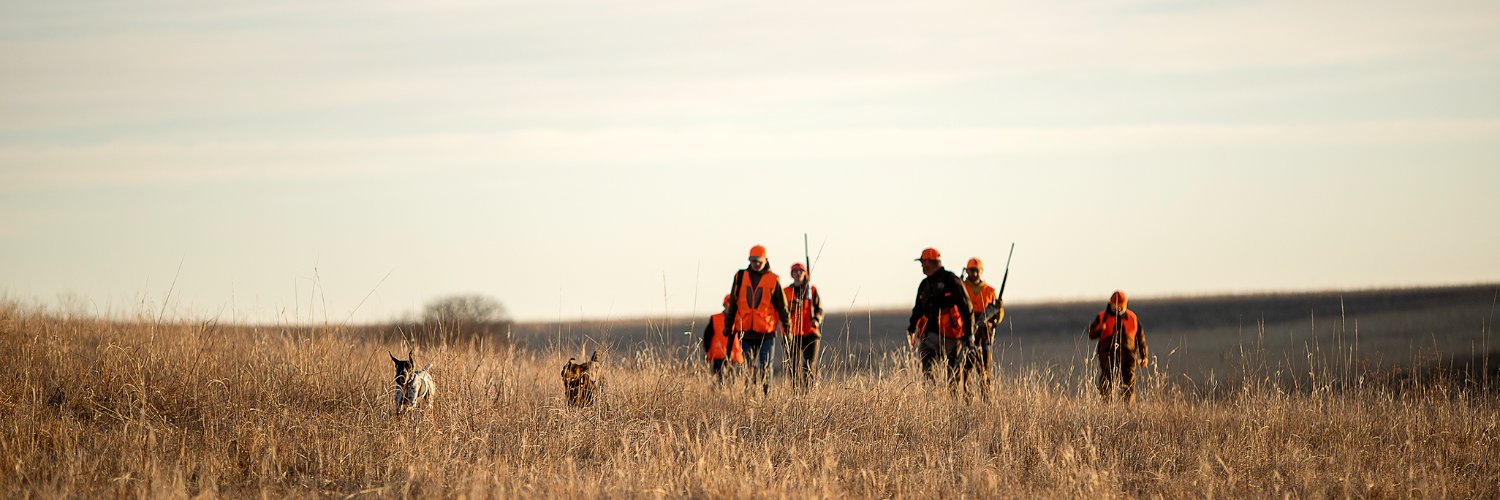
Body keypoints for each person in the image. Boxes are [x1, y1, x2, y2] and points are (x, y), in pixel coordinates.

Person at [723, 244, 791, 396]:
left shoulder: (773, 279)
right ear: (749, 260)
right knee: (747, 367)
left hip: (766, 332)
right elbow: (733, 303)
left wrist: (788, 328)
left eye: (759, 261)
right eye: (754, 261)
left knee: (765, 366)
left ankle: (767, 396)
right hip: (745, 331)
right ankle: (749, 396)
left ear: (765, 260)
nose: (756, 264)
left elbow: (782, 306)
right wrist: (728, 325)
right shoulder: (740, 277)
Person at [905, 247, 975, 391]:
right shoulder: (924, 285)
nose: (921, 265)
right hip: (931, 336)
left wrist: (970, 335)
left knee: (954, 376)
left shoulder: (951, 280)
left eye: (923, 262)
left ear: (931, 262)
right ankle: (931, 400)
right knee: (927, 369)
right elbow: (917, 309)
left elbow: (967, 308)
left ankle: (955, 405)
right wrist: (912, 328)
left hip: (952, 336)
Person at [1087, 290, 1149, 403]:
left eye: (1120, 306)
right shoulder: (1102, 317)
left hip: (1128, 359)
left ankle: (1128, 412)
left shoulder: (1132, 318)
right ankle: (1105, 412)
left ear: (1125, 304)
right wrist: (1099, 328)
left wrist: (1144, 356)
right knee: (1105, 385)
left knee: (1128, 386)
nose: (1118, 309)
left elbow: (1141, 339)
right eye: (1115, 306)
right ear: (1111, 304)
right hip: (1107, 359)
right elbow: (1091, 334)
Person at [961, 257, 1003, 398]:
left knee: (984, 370)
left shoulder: (990, 291)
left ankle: (987, 400)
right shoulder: (961, 287)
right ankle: (967, 399)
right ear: (967, 271)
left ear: (982, 271)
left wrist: (998, 312)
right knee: (964, 370)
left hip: (984, 336)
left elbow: (999, 314)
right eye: (972, 270)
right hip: (966, 336)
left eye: (977, 270)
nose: (975, 273)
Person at [782, 262, 824, 389]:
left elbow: (820, 309)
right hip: (791, 334)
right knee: (793, 367)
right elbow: (782, 311)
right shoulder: (786, 292)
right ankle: (797, 393)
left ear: (805, 273)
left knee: (809, 366)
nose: (798, 273)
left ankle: (809, 393)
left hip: (810, 333)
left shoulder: (811, 290)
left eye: (801, 271)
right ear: (791, 274)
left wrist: (816, 319)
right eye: (795, 271)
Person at [702, 294, 744, 385]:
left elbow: (743, 338)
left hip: (734, 358)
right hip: (718, 356)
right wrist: (707, 351)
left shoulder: (739, 320)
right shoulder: (715, 319)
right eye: (728, 305)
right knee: (719, 382)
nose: (730, 308)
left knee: (732, 382)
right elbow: (707, 337)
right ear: (724, 305)